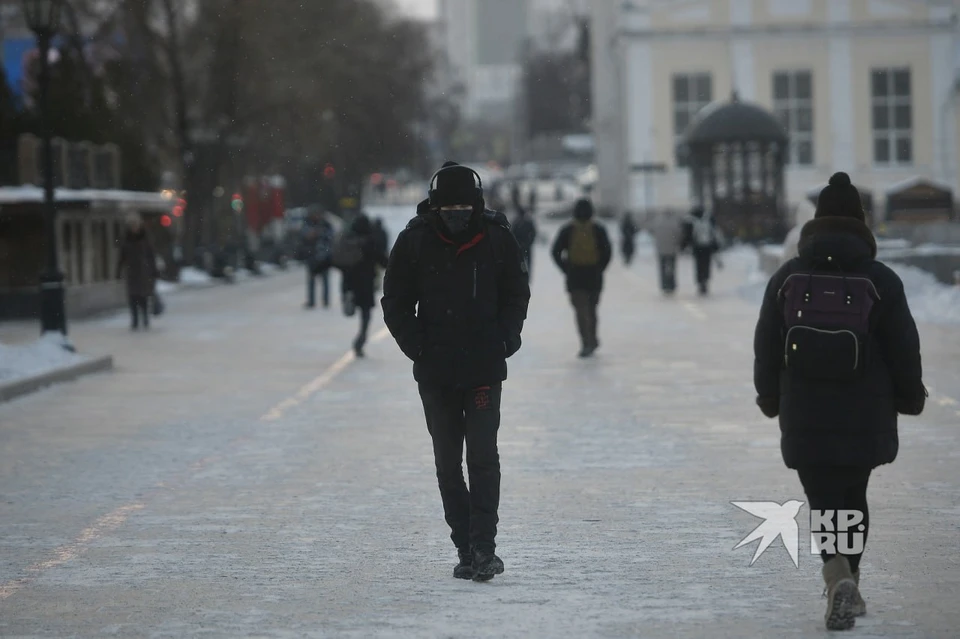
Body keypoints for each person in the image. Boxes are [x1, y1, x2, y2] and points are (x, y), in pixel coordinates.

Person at [753, 172, 926, 631]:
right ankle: (848, 577)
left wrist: (769, 396)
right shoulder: (880, 280)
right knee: (853, 495)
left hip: (804, 410)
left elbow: (766, 343)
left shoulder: (788, 277)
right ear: (860, 222)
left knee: (824, 499)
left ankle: (837, 576)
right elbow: (904, 346)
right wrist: (910, 395)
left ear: (816, 221)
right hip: (865, 411)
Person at [381, 161, 530, 582]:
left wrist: (506, 338)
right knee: (448, 464)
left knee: (483, 458)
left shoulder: (497, 236)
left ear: (477, 204)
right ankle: (464, 545)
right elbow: (394, 301)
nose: (458, 215)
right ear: (434, 207)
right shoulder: (414, 241)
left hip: (484, 367)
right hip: (436, 373)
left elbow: (517, 293)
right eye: (449, 209)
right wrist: (418, 347)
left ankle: (485, 547)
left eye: (465, 207)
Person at [551, 198, 612, 357]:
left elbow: (555, 251)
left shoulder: (568, 230)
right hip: (593, 276)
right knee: (592, 310)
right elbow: (607, 252)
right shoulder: (598, 229)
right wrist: (600, 268)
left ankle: (586, 342)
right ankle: (592, 338)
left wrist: (566, 268)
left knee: (581, 311)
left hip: (575, 276)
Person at [343, 214, 388, 357]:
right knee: (366, 314)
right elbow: (382, 260)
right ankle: (361, 339)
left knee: (351, 310)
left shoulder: (349, 241)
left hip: (350, 282)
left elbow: (335, 259)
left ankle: (360, 339)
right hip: (366, 283)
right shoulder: (370, 241)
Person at [116, 214, 158, 331]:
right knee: (133, 297)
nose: (134, 228)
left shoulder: (145, 239)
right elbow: (122, 257)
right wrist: (118, 271)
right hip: (132, 273)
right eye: (132, 226)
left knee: (143, 297)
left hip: (144, 273)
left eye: (136, 225)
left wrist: (154, 271)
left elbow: (151, 256)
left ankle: (145, 318)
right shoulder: (126, 241)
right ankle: (134, 320)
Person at [680, 206, 722, 295]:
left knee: (698, 265)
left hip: (697, 247)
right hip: (707, 246)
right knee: (706, 264)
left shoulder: (691, 219)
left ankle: (700, 282)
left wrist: (683, 246)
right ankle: (705, 281)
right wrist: (716, 246)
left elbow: (688, 235)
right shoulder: (709, 218)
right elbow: (714, 232)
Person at [300, 211, 334, 308]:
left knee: (325, 280)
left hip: (324, 257)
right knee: (312, 281)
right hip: (312, 256)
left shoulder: (326, 225)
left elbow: (330, 236)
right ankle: (312, 301)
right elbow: (305, 236)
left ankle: (326, 301)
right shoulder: (307, 224)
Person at [652, 211, 682, 294]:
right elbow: (679, 234)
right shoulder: (674, 223)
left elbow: (654, 234)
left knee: (662, 268)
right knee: (672, 268)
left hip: (661, 250)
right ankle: (671, 284)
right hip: (672, 249)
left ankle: (664, 285)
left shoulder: (658, 222)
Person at [511, 205, 537, 281]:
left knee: (522, 262)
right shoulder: (522, 223)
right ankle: (525, 276)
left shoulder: (517, 223)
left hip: (523, 246)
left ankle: (525, 276)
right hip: (522, 246)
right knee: (523, 262)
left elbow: (533, 234)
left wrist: (527, 243)